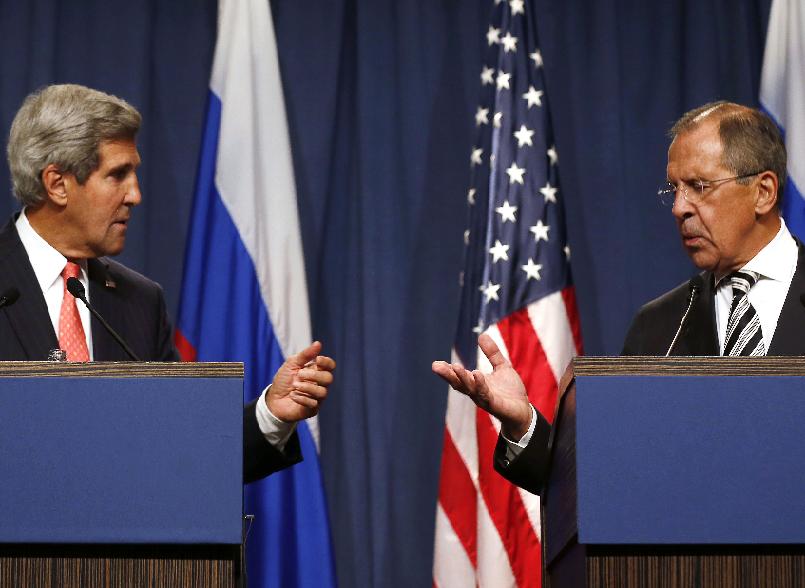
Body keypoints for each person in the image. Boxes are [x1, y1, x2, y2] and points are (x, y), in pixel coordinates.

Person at [433, 100, 805, 494]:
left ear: (763, 192)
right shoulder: (659, 326)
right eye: (674, 189)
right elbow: (606, 484)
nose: (679, 208)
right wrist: (522, 423)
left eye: (699, 187)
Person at [0, 83, 335, 484]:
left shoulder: (138, 302)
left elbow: (185, 449)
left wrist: (272, 412)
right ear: (57, 184)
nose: (135, 195)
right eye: (118, 175)